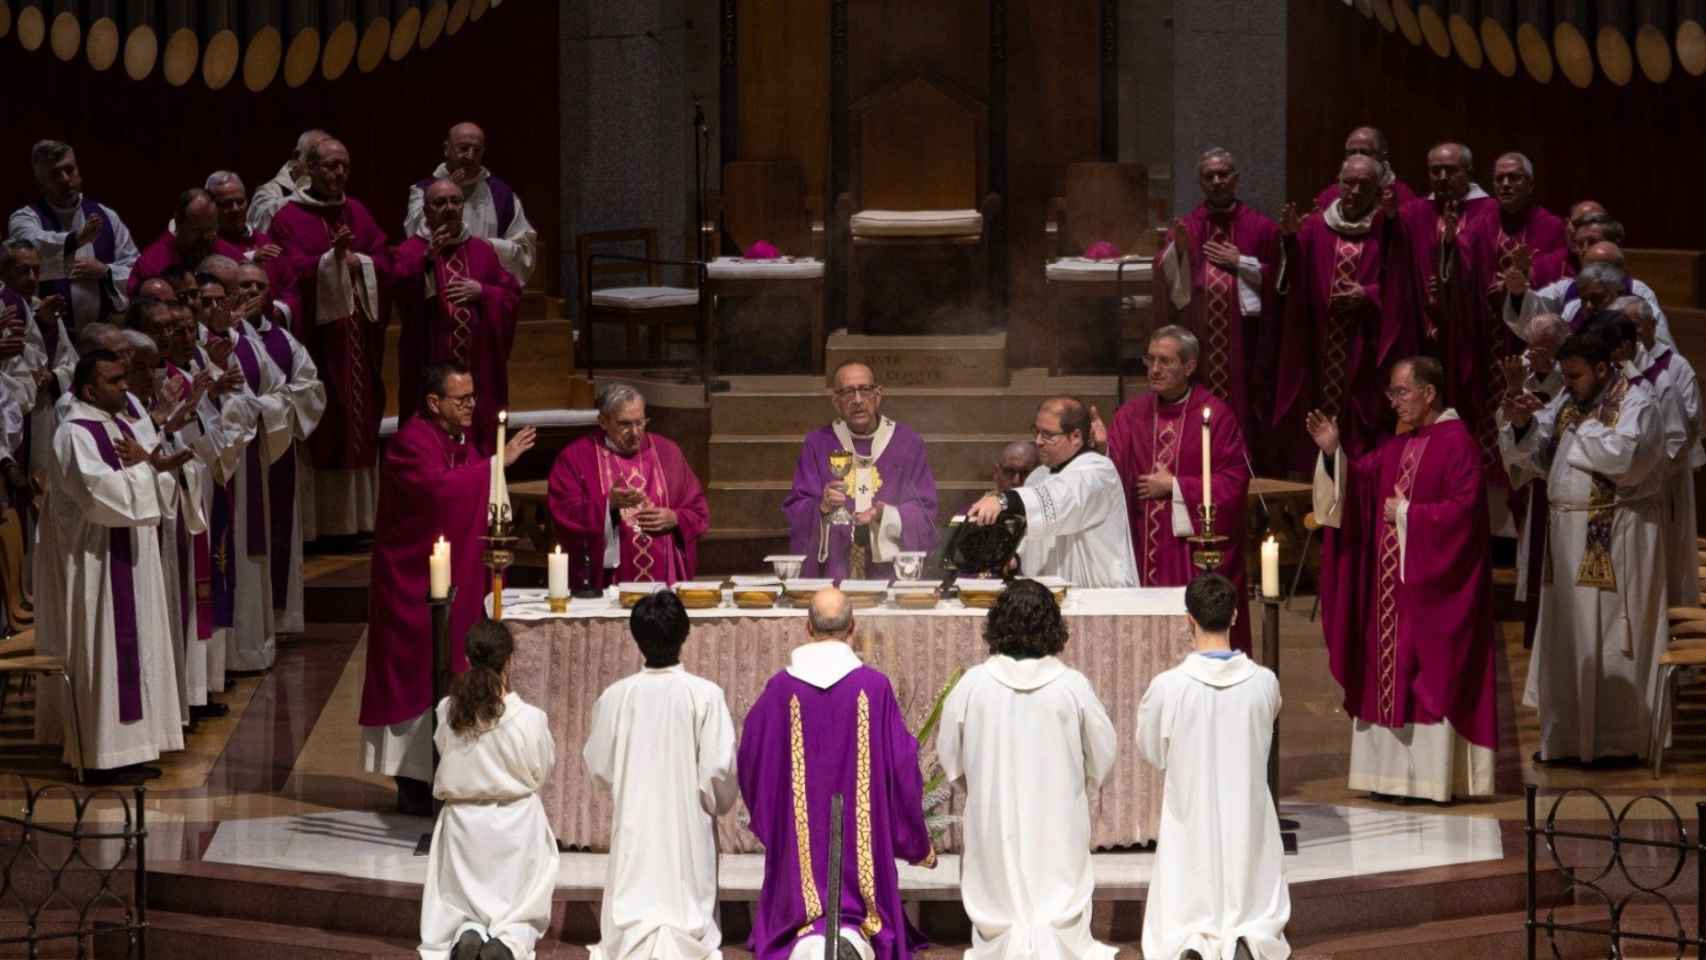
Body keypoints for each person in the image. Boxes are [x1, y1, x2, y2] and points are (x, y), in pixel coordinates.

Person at [1307, 356, 1501, 800]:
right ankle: (1385, 777)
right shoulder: (1399, 447)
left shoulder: (1458, 444)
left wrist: (1410, 514)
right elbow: (1357, 485)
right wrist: (1333, 451)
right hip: (1390, 597)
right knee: (1383, 672)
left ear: (1428, 393)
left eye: (1401, 392)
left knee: (1430, 675)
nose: (1394, 402)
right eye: (1392, 393)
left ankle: (1432, 781)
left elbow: (1466, 514)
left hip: (1434, 595)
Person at [360, 362, 537, 816]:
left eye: (473, 397)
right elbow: (438, 495)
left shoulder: (458, 441)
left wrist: (490, 465)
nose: (471, 406)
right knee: (419, 677)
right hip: (412, 589)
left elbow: (467, 486)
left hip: (450, 583)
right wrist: (497, 465)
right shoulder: (409, 444)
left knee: (451, 671)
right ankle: (413, 782)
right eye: (461, 399)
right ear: (433, 402)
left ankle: (449, 770)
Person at [1501, 326, 1667, 765]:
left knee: (1608, 635)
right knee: (1566, 636)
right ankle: (1567, 740)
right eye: (1565, 377)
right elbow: (1538, 455)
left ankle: (1614, 743)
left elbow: (1626, 458)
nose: (1567, 386)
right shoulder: (1572, 401)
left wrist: (1579, 428)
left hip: (1615, 536)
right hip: (1563, 535)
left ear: (1601, 368)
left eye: (1574, 377)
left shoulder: (1638, 401)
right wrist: (1521, 425)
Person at [739, 587, 935, 960]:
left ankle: (806, 934)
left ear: (807, 627)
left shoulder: (780, 690)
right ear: (853, 629)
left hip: (798, 860)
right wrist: (914, 839)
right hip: (865, 866)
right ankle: (857, 934)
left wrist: (773, 815)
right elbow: (902, 765)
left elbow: (750, 757)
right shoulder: (874, 688)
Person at [936, 579, 1117, 960]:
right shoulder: (1071, 686)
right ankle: (1054, 934)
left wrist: (980, 786)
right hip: (1058, 816)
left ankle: (1004, 937)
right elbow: (1102, 751)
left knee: (999, 871)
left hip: (994, 817)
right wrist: (1083, 783)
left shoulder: (973, 685)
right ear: (1053, 627)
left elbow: (949, 756)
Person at [1137, 573, 1289, 960]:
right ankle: (1249, 934)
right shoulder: (1264, 683)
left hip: (1191, 810)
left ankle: (1192, 938)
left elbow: (1152, 750)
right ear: (1236, 616)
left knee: (1189, 872)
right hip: (1247, 812)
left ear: (1189, 619)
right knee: (1249, 877)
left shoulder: (1168, 687)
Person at [583, 591, 738, 960]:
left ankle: (636, 934)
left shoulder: (616, 696)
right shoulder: (705, 696)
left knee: (633, 888)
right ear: (684, 635)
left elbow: (599, 766)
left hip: (635, 822)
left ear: (638, 639)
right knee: (687, 895)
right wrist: (713, 803)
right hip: (688, 826)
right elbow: (720, 773)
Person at [51, 350, 183, 781]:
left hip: (131, 555)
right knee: (107, 648)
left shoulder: (119, 423)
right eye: (114, 380)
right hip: (99, 561)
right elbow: (98, 493)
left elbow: (146, 470)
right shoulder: (74, 433)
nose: (125, 387)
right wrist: (148, 469)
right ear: (89, 389)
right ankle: (103, 756)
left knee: (138, 645)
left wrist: (155, 467)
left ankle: (135, 746)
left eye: (125, 378)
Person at [268, 136, 393, 539]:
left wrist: (361, 262)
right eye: (329, 166)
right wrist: (329, 262)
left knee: (360, 420)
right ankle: (325, 527)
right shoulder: (287, 217)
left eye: (344, 166)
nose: (338, 173)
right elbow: (285, 272)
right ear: (309, 169)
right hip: (319, 345)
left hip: (360, 338)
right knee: (327, 421)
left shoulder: (357, 211)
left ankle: (360, 522)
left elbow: (385, 257)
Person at [1101, 326, 1252, 650]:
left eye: (1166, 361)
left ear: (1189, 366)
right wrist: (1100, 450)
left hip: (1187, 552)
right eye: (1150, 359)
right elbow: (1111, 477)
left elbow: (1235, 481)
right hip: (1141, 548)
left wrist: (1177, 486)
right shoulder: (1130, 416)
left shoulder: (1216, 416)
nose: (1155, 369)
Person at [418, 619, 558, 960]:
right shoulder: (530, 718)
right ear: (509, 661)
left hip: (464, 830)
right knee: (521, 905)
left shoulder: (447, 711)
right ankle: (508, 941)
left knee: (461, 904)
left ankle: (467, 929)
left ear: (467, 659)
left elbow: (443, 751)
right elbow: (542, 771)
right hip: (516, 829)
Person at [1275, 155, 1414, 466]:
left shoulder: (1387, 230)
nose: (1352, 191)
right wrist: (1288, 240)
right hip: (1319, 354)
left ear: (1378, 191)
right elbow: (1296, 284)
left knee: (1362, 435)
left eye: (1363, 185)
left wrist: (1368, 294)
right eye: (1347, 183)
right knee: (1313, 429)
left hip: (1365, 354)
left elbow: (1403, 287)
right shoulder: (1314, 226)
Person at [1154, 148, 1281, 444]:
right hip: (1200, 338)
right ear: (1200, 183)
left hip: (1246, 342)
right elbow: (1164, 277)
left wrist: (1242, 263)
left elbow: (1282, 280)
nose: (1216, 181)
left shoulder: (1261, 227)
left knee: (1245, 400)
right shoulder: (1186, 227)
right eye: (1208, 176)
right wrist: (1179, 252)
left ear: (1236, 179)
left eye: (1223, 174)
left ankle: (1246, 459)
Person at [393, 178, 522, 455]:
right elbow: (400, 297)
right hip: (429, 371)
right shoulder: (411, 251)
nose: (449, 208)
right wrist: (426, 261)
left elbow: (510, 295)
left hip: (478, 371)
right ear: (426, 211)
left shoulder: (482, 251)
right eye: (440, 202)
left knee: (477, 442)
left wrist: (484, 292)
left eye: (455, 201)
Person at [784, 362, 938, 580]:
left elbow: (925, 510)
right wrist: (822, 507)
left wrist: (886, 515)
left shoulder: (907, 443)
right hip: (835, 571)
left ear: (878, 395)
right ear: (836, 402)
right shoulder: (817, 443)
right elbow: (797, 508)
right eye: (847, 392)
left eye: (864, 390)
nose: (857, 400)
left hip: (888, 573)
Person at [235, 261, 325, 634]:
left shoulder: (284, 341)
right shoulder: (222, 338)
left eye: (258, 286)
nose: (252, 293)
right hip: (236, 456)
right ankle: (245, 625)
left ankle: (279, 620)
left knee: (278, 533)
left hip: (275, 447)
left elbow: (310, 389)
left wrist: (271, 406)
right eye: (244, 286)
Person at [548, 383, 708, 589]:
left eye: (640, 423)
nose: (635, 433)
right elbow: (563, 513)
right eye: (625, 424)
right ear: (603, 421)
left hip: (663, 581)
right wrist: (607, 505)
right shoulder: (576, 458)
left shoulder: (668, 452)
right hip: (608, 582)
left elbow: (698, 510)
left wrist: (675, 518)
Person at [967, 396, 1135, 588]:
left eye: (1047, 435)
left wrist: (1003, 501)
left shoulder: (1098, 471)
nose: (1038, 441)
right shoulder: (1038, 476)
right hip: (1050, 599)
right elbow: (1036, 536)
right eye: (1036, 431)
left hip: (1098, 596)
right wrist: (1013, 560)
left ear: (1076, 437)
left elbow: (1063, 499)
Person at [1617, 295, 1701, 607]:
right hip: (1626, 484)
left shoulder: (1674, 368)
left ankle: (1672, 626)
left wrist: (1651, 469)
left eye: (1636, 326)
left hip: (1665, 480)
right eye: (1625, 328)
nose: (1632, 335)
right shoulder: (1614, 369)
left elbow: (1688, 424)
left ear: (1652, 325)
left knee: (1667, 557)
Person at [8, 140, 138, 330]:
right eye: (54, 174)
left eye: (70, 170)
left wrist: (105, 271)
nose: (65, 179)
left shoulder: (107, 216)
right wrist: (76, 240)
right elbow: (33, 251)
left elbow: (135, 269)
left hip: (105, 331)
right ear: (41, 183)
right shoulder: (25, 218)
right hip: (49, 332)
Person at [404, 122, 538, 285]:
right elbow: (414, 237)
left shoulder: (503, 195)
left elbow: (525, 250)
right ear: (447, 149)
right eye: (463, 148)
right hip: (436, 286)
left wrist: (485, 247)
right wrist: (447, 189)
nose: (470, 156)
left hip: (482, 287)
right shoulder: (423, 190)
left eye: (477, 150)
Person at [1, 240, 77, 481]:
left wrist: (54, 377)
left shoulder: (44, 309)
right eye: (23, 271)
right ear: (3, 271)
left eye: (36, 270)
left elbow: (72, 363)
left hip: (42, 414)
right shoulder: (8, 306)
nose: (33, 278)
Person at [128, 188, 243, 297]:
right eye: (197, 230)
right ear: (179, 223)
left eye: (210, 230)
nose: (205, 238)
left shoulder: (230, 255)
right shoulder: (151, 263)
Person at [1312, 125, 1418, 211]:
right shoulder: (1331, 195)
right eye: (1352, 153)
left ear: (1383, 156)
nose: (1357, 158)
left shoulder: (1404, 198)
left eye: (1364, 152)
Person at [248, 129, 328, 235]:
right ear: (296, 156)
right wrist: (303, 195)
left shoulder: (329, 191)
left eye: (326, 163)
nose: (320, 169)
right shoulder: (268, 192)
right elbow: (260, 233)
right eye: (314, 160)